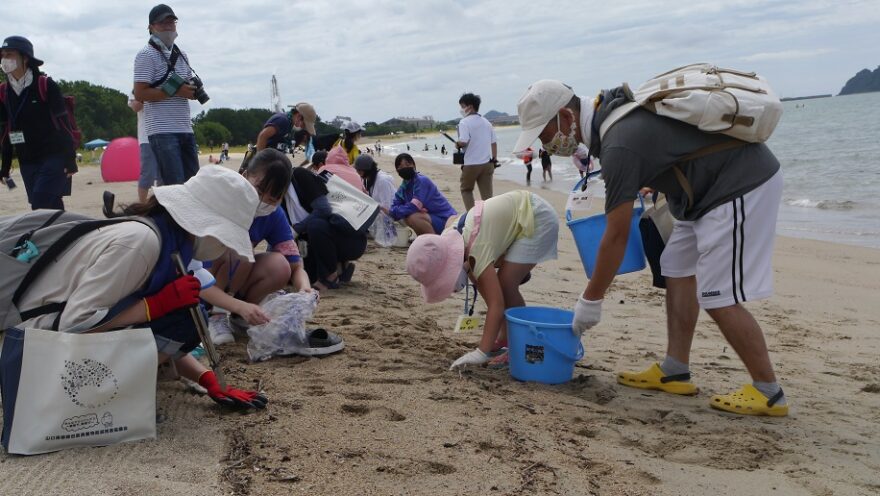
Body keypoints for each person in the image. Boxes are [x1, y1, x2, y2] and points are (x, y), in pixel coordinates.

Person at [513, 79, 788, 416]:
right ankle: (675, 370)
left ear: (566, 117)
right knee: (676, 266)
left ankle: (768, 390)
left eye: (544, 135)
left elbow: (616, 235)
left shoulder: (617, 143)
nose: (547, 146)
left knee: (718, 293)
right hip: (697, 195)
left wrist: (590, 300)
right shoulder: (612, 124)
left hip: (739, 186)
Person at [14, 165, 267, 410]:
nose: (224, 247)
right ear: (206, 224)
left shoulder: (169, 241)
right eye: (225, 238)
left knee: (187, 315)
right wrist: (153, 306)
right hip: (36, 346)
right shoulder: (141, 243)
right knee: (188, 318)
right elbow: (74, 324)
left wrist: (205, 378)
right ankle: (101, 391)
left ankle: (116, 380)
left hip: (52, 336)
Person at [406, 190, 559, 369]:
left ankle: (518, 347)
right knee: (498, 287)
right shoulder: (452, 235)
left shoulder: (475, 250)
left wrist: (481, 352)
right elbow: (489, 294)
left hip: (536, 218)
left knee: (506, 285)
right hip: (520, 212)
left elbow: (496, 304)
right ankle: (505, 339)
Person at [205, 149, 311, 344]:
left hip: (230, 282)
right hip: (198, 284)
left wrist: (305, 289)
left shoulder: (273, 215)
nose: (262, 202)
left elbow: (296, 266)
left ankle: (242, 315)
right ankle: (215, 316)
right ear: (245, 176)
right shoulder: (221, 201)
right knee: (240, 249)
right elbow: (194, 273)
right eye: (258, 191)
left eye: (272, 199)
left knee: (280, 265)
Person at [0, 36, 77, 210]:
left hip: (53, 156)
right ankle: (65, 235)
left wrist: (70, 158)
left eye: (10, 54)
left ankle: (31, 239)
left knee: (39, 205)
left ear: (25, 58)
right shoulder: (3, 92)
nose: (5, 59)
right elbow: (5, 131)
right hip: (27, 160)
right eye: (2, 55)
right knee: (52, 206)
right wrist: (4, 166)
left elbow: (64, 123)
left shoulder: (45, 84)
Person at [132, 4, 203, 185]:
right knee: (175, 186)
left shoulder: (181, 54)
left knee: (193, 184)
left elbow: (185, 88)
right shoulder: (145, 55)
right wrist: (174, 90)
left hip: (186, 127)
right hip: (162, 130)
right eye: (163, 23)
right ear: (151, 27)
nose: (168, 27)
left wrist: (192, 92)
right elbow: (140, 93)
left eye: (171, 22)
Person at [285, 167, 367, 291]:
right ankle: (342, 267)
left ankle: (330, 276)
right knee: (307, 277)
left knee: (315, 224)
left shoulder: (300, 176)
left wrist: (296, 230)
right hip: (319, 241)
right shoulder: (278, 197)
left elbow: (324, 209)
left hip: (350, 238)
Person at [389, 153, 457, 236]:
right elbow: (393, 208)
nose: (404, 168)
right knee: (408, 215)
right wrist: (403, 210)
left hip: (446, 219)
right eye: (400, 167)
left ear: (414, 166)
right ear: (397, 171)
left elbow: (414, 206)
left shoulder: (421, 181)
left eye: (407, 164)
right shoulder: (403, 188)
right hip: (430, 219)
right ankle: (424, 238)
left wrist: (402, 210)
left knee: (413, 217)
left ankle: (434, 242)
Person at [456, 92, 497, 210]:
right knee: (488, 197)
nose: (461, 109)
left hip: (471, 164)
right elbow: (493, 142)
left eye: (463, 106)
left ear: (470, 106)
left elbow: (463, 141)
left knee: (466, 190)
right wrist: (494, 160)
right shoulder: (486, 122)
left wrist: (458, 143)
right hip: (487, 163)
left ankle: (472, 217)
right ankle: (490, 218)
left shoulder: (464, 122)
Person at [129, 95, 162, 203]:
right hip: (147, 137)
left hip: (167, 135)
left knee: (164, 175)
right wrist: (146, 93)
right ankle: (142, 206)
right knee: (148, 174)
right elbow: (135, 107)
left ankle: (163, 205)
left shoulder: (165, 84)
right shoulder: (139, 86)